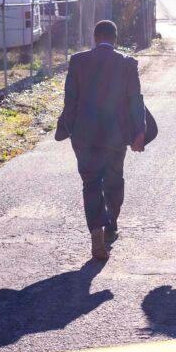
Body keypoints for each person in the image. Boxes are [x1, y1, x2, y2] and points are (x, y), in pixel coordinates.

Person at [56, 20, 146, 260]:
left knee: (91, 184)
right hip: (115, 136)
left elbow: (70, 99)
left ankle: (97, 233)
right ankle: (111, 225)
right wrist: (140, 131)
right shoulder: (127, 63)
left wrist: (70, 128)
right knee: (114, 181)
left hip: (84, 136)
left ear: (95, 38)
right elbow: (135, 99)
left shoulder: (78, 61)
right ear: (115, 39)